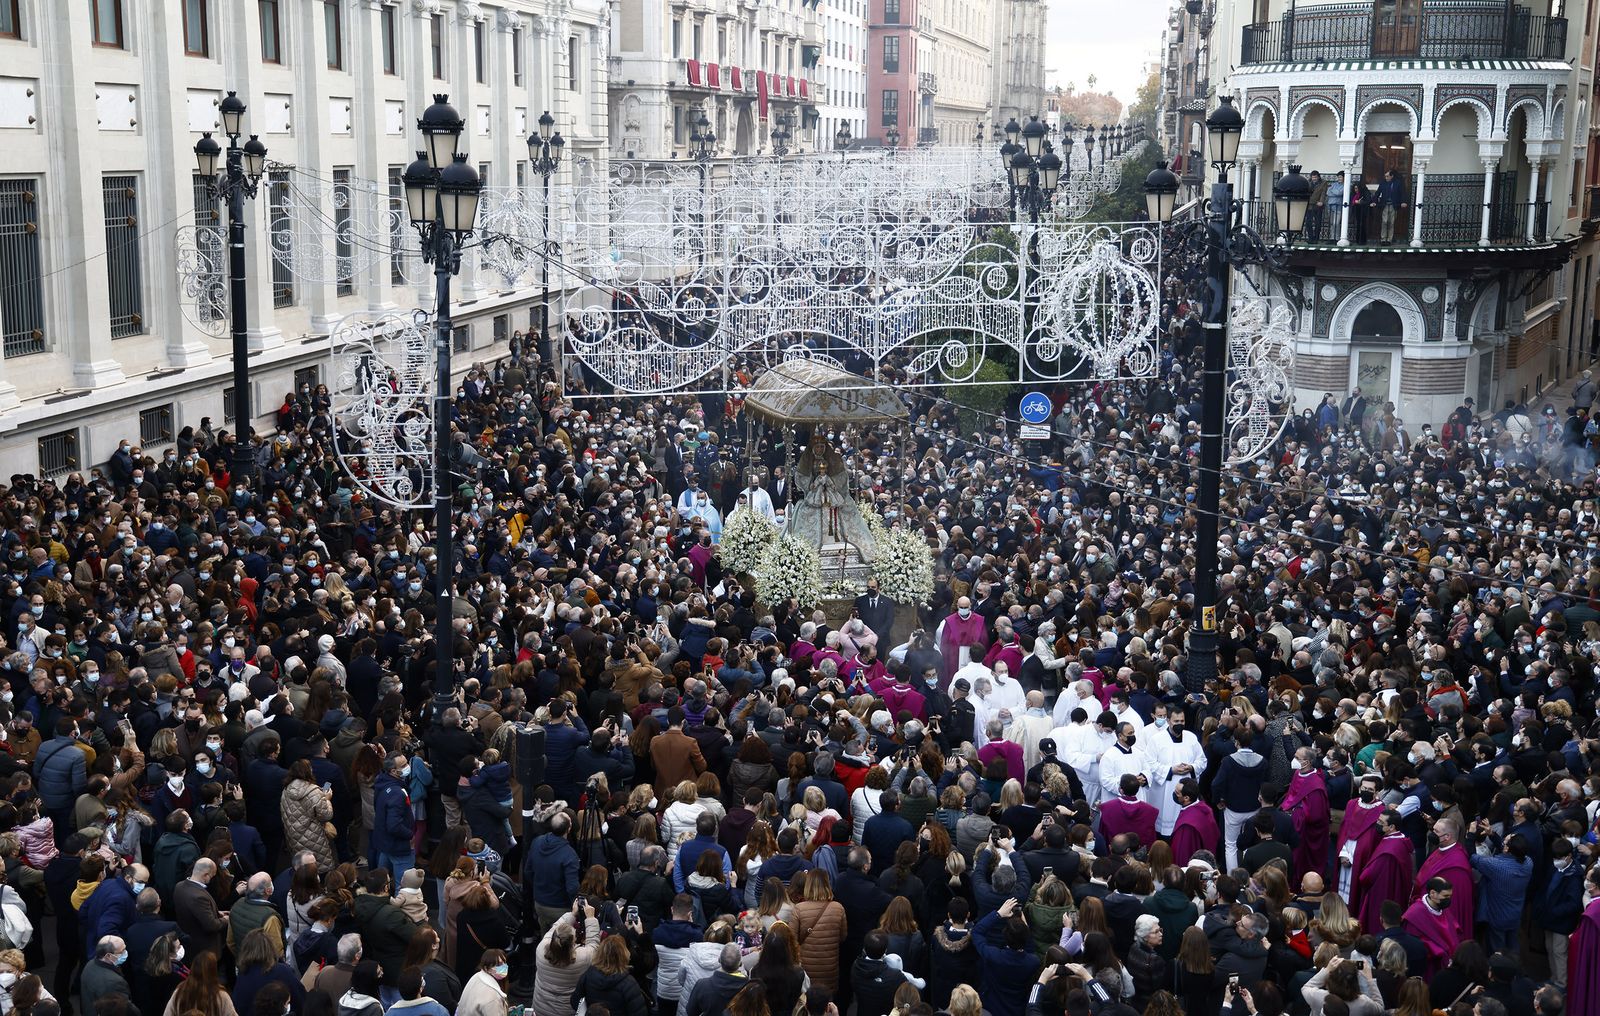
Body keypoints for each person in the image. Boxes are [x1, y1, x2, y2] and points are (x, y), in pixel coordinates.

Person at [457, 949, 512, 1016]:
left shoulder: (476, 976)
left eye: (504, 962)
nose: (504, 967)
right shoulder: (493, 997)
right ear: (486, 968)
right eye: (499, 965)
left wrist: (504, 1010)